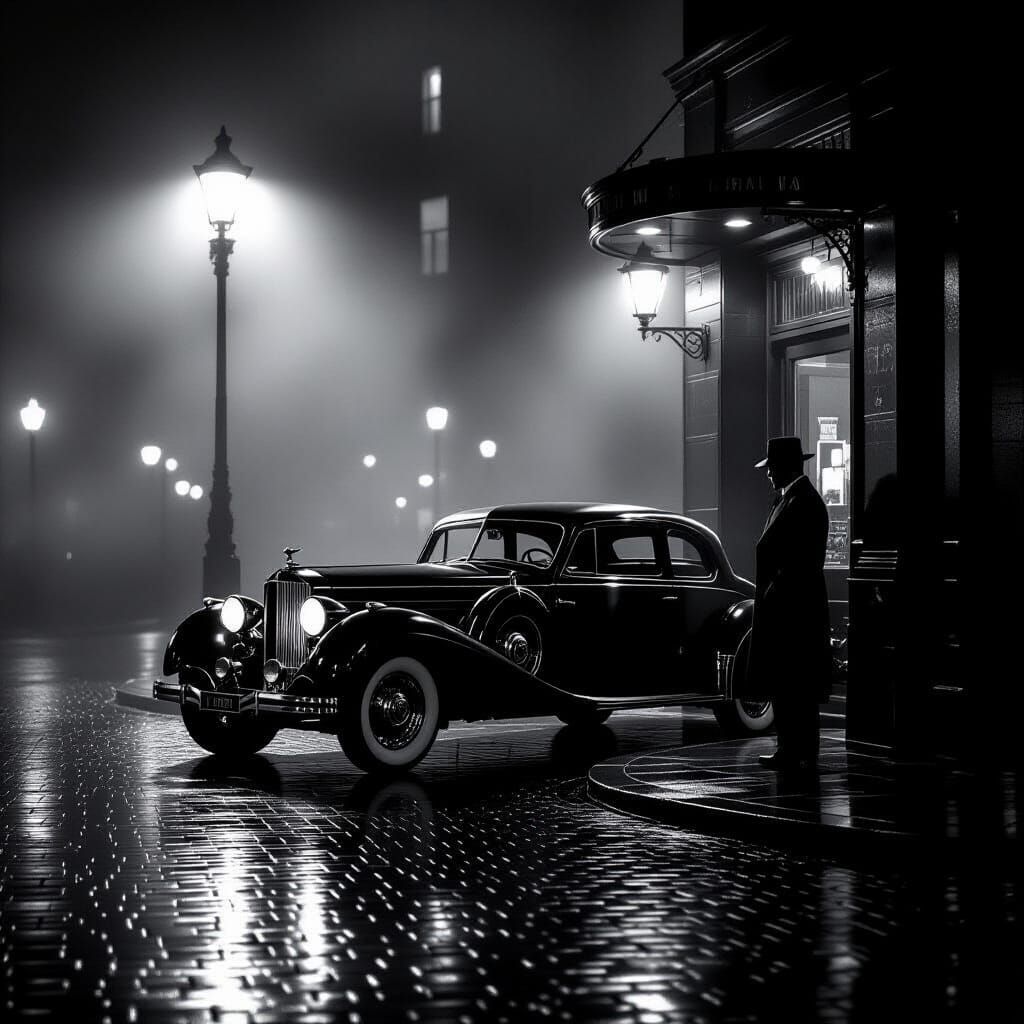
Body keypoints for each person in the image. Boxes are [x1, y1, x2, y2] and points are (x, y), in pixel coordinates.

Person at [745, 436, 831, 771]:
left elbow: (800, 561)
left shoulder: (802, 502)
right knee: (790, 684)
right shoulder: (792, 499)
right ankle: (793, 749)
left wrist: (774, 592)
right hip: (788, 607)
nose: (768, 474)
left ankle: (798, 751)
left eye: (771, 468)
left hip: (793, 611)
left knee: (796, 685)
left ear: (784, 467)